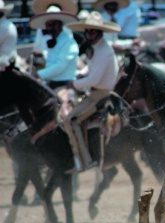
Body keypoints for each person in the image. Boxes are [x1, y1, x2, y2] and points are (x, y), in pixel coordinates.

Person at [63, 11, 120, 173]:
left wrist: (74, 83)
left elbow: (94, 79)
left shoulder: (104, 51)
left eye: (92, 31)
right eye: (87, 31)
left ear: (100, 32)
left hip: (101, 94)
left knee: (70, 120)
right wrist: (81, 75)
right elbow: (92, 69)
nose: (89, 34)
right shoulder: (97, 48)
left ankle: (83, 160)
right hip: (95, 91)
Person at [28, 6, 79, 90]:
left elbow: (60, 66)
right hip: (51, 83)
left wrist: (39, 74)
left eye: (54, 24)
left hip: (64, 85)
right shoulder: (54, 41)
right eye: (49, 25)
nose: (51, 28)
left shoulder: (68, 42)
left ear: (60, 25)